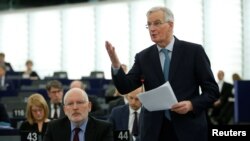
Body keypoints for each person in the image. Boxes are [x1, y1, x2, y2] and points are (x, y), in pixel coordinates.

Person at [105, 6, 219, 141]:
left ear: (170, 25)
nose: (152, 28)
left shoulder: (194, 52)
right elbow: (125, 87)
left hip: (188, 128)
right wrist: (116, 65)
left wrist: (191, 105)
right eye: (149, 24)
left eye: (157, 23)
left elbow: (212, 91)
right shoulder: (143, 57)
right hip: (154, 131)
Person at [43, 88, 114, 141]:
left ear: (89, 106)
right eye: (70, 104)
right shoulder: (53, 127)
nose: (75, 107)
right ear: (65, 110)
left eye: (80, 102)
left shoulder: (104, 129)